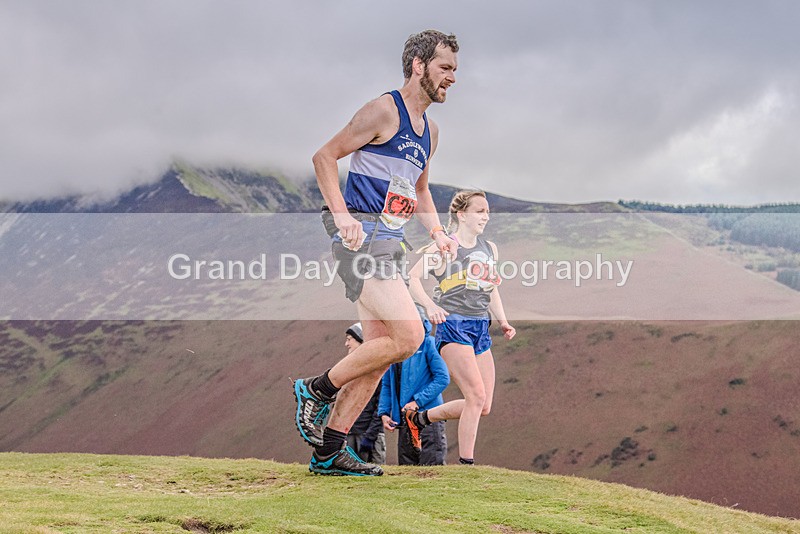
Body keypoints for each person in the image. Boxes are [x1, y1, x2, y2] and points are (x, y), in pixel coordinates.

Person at [293, 29, 460, 476]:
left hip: (390, 244)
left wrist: (438, 231)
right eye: (445, 68)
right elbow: (324, 156)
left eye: (454, 70)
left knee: (379, 354)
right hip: (360, 240)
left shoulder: (431, 132)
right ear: (419, 66)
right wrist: (342, 215)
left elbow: (420, 190)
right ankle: (315, 389)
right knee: (410, 338)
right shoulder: (384, 110)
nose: (452, 78)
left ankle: (329, 452)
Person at [407, 190, 516, 465]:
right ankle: (467, 465)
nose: (486, 216)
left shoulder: (490, 248)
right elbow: (412, 278)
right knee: (475, 396)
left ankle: (420, 418)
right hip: (454, 325)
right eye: (480, 211)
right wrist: (429, 306)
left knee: (483, 405)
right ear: (462, 215)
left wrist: (503, 321)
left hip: (480, 327)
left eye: (487, 211)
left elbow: (491, 288)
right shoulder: (444, 246)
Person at [378, 307, 450, 465]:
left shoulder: (429, 344)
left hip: (429, 417)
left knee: (433, 468)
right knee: (407, 470)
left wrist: (417, 402)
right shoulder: (395, 350)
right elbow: (387, 384)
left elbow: (443, 378)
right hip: (404, 420)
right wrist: (384, 413)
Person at [342, 323, 386, 464]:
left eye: (349, 339)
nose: (346, 344)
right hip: (349, 434)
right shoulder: (347, 369)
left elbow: (382, 405)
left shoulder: (377, 369)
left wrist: (370, 436)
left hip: (370, 437)